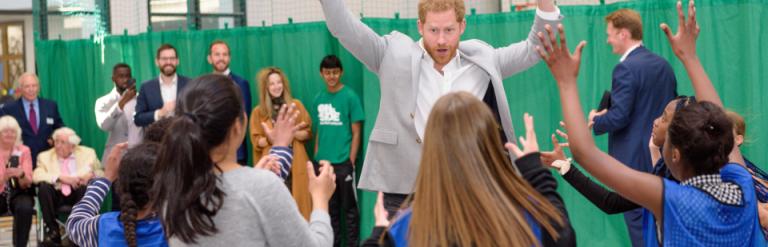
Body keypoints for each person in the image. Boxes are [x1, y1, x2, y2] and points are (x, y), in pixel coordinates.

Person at [535, 1, 765, 245]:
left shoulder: (672, 199)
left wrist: (566, 82)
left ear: (675, 154)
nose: (654, 121)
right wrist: (690, 57)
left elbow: (586, 155)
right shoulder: (741, 186)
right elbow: (720, 123)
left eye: (665, 118)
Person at [318, 0, 563, 213]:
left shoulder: (484, 61)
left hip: (469, 191)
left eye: (449, 30)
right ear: (420, 26)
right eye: (433, 30)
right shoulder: (390, 54)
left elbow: (535, 48)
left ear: (462, 26)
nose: (442, 40)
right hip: (405, 192)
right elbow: (342, 26)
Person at [363, 92, 575, 247]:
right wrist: (535, 172)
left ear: (432, 152)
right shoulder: (525, 215)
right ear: (491, 145)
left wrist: (379, 234)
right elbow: (563, 238)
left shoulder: (406, 229)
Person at [150, 74, 335, 246]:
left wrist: (279, 147)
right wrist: (320, 198)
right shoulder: (260, 187)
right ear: (239, 126)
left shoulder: (171, 188)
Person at [584, 9, 678, 246]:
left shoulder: (625, 68)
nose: (607, 40)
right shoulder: (664, 65)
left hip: (632, 163)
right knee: (662, 224)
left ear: (623, 34)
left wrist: (596, 119)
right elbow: (671, 111)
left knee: (639, 227)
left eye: (610, 34)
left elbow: (620, 117)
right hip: (662, 160)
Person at [66, 142, 167, 247]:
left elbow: (74, 223)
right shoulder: (174, 232)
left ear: (120, 186)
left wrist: (107, 178)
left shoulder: (101, 227)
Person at [311, 55, 363, 246]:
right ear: (321, 74)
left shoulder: (350, 97)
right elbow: (319, 132)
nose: (331, 76)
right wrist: (317, 157)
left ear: (341, 72)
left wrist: (350, 160)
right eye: (327, 73)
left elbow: (357, 132)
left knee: (349, 210)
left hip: (344, 164)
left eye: (334, 72)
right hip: (323, 165)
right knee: (328, 210)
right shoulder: (318, 99)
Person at [250, 67, 313, 219]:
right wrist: (272, 139)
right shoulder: (259, 112)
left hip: (296, 166)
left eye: (279, 82)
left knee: (300, 211)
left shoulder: (296, 105)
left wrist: (292, 133)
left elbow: (308, 132)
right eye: (272, 84)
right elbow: (256, 141)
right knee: (275, 213)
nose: (276, 86)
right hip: (274, 169)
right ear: (266, 88)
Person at [33, 127, 102, 245]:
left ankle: (80, 230)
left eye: (62, 142)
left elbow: (101, 173)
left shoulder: (88, 153)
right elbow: (36, 175)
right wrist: (61, 178)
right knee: (44, 187)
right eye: (56, 141)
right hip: (56, 195)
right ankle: (53, 231)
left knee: (84, 188)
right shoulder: (44, 156)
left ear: (73, 145)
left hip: (78, 194)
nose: (58, 146)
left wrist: (91, 175)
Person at [0, 72, 65, 167]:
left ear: (38, 87)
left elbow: (59, 127)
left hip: (47, 161)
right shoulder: (9, 109)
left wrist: (54, 137)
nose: (31, 90)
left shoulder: (50, 106)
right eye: (27, 86)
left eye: (34, 86)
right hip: (20, 162)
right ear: (20, 88)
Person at [208, 40, 252, 165]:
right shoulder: (204, 84)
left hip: (236, 152)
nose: (221, 58)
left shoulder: (241, 83)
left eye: (225, 54)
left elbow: (243, 117)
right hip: (210, 151)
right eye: (217, 54)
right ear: (209, 58)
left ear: (229, 58)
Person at [134, 44, 191, 127]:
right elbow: (138, 119)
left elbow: (197, 113)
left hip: (184, 138)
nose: (168, 62)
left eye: (172, 58)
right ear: (157, 62)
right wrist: (160, 113)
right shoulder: (146, 87)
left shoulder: (190, 84)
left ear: (177, 61)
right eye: (164, 59)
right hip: (156, 139)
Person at [0, 116, 35, 247]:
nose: (9, 134)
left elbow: (28, 182)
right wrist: (4, 177)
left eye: (13, 131)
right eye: (5, 131)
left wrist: (21, 174)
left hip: (19, 192)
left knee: (25, 207)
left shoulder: (24, 150)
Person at [95, 63, 136, 161]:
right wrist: (120, 104)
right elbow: (104, 126)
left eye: (128, 76)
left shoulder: (140, 99)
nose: (125, 80)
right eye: (121, 76)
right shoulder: (102, 102)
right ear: (113, 78)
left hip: (137, 155)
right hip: (114, 157)